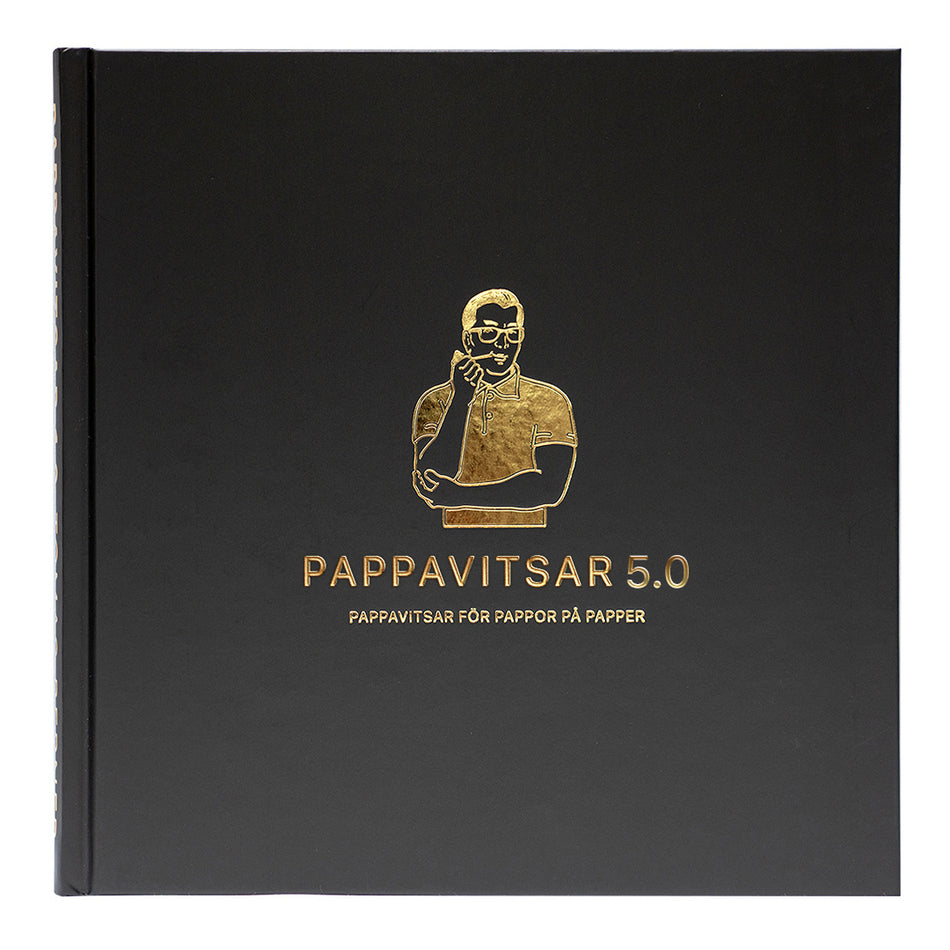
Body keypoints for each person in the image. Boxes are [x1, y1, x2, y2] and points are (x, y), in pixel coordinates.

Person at [412, 289, 576, 527]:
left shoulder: (549, 400)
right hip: (452, 538)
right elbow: (430, 479)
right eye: (489, 333)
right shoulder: (436, 400)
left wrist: (460, 496)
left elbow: (549, 488)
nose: (502, 344)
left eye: (512, 334)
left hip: (532, 537)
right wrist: (460, 398)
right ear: (468, 340)